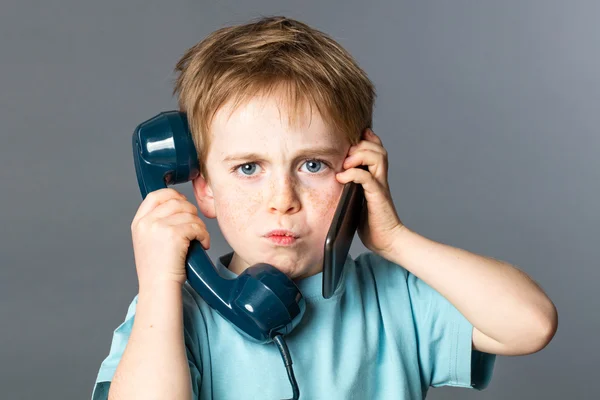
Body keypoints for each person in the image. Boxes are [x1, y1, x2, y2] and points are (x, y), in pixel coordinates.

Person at [91, 16, 557, 400]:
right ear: (204, 189)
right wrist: (158, 285)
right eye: (249, 168)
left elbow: (531, 324)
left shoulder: (397, 298)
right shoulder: (171, 314)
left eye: (312, 164)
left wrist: (396, 240)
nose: (283, 200)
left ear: (357, 174)